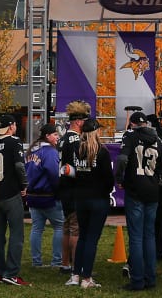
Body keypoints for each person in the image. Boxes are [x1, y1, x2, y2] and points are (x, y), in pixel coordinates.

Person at [115, 111, 162, 290]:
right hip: (152, 190)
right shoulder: (158, 139)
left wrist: (120, 179)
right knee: (149, 235)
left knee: (136, 237)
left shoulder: (130, 136)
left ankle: (137, 280)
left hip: (135, 189)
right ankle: (150, 279)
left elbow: (121, 159)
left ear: (133, 123)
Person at [65, 117, 114, 289]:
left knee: (83, 237)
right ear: (95, 132)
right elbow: (109, 180)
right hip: (98, 199)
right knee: (91, 239)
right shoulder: (102, 152)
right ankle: (86, 278)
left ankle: (76, 275)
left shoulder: (77, 149)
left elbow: (70, 172)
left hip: (81, 198)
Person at [0, 113, 29, 285]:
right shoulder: (14, 141)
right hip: (11, 194)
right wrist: (24, 185)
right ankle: (11, 273)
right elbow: (19, 165)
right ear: (11, 126)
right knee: (16, 234)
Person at [25, 123, 63, 271]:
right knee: (59, 226)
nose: (57, 137)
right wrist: (58, 190)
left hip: (32, 195)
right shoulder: (50, 151)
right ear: (47, 136)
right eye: (55, 134)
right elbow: (53, 172)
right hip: (48, 195)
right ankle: (56, 261)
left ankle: (36, 262)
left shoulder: (31, 150)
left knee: (36, 229)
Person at [58, 101, 90, 275]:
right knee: (76, 229)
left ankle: (65, 264)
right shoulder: (75, 140)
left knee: (67, 227)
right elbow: (70, 168)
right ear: (78, 121)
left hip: (64, 188)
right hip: (73, 188)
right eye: (85, 120)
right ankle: (77, 267)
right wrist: (84, 175)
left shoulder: (62, 138)